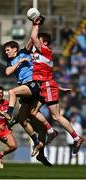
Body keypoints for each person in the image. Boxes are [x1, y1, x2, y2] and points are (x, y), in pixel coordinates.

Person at [29, 16, 84, 154]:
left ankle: (76, 138)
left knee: (56, 116)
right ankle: (51, 131)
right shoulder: (39, 53)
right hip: (45, 85)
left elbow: (33, 37)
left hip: (46, 86)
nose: (36, 42)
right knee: (33, 111)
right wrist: (59, 88)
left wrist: (35, 24)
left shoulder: (46, 50)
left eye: (39, 41)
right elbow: (47, 74)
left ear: (45, 42)